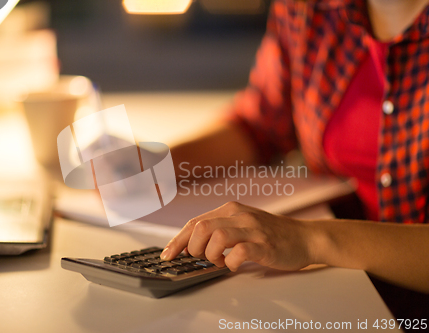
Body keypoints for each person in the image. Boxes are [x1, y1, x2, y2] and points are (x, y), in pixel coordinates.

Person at [160, 0, 429, 294]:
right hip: (346, 287)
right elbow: (260, 125)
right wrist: (149, 166)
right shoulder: (308, 8)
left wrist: (309, 240)